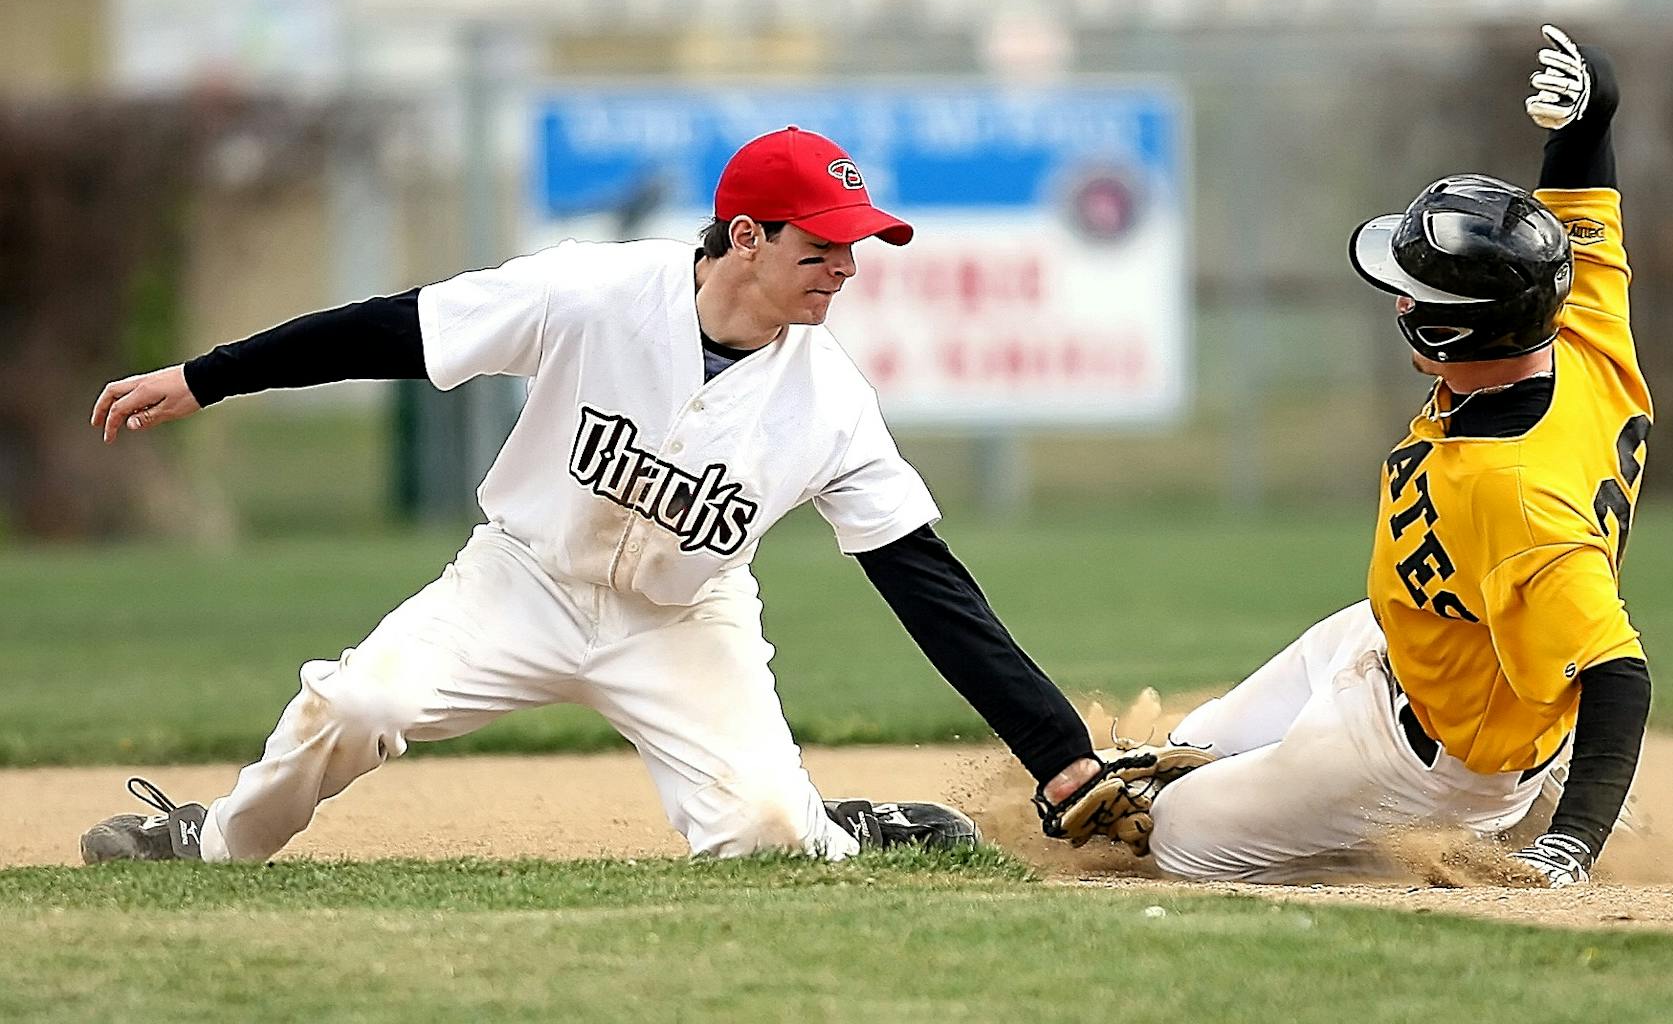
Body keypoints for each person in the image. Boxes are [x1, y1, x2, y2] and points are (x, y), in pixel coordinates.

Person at [80, 126, 1103, 864]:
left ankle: (839, 825)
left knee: (768, 839)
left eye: (853, 245)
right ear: (745, 236)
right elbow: (399, 326)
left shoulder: (829, 400)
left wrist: (1058, 754)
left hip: (680, 621)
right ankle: (209, 839)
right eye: (821, 244)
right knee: (355, 702)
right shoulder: (595, 293)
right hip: (521, 580)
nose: (844, 265)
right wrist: (207, 376)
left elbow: (928, 583)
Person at [1062, 26, 1653, 886]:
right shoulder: (1580, 332)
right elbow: (1580, 208)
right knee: (1182, 753)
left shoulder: (1517, 492)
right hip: (1402, 634)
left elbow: (1618, 675)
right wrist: (1590, 116)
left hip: (1431, 758)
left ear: (1445, 329)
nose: (1402, 296)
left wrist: (1574, 840)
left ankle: (1421, 838)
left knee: (1171, 842)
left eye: (1415, 292)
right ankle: (1427, 785)